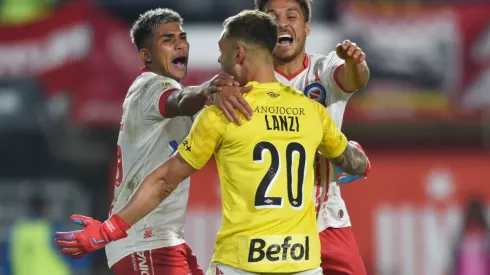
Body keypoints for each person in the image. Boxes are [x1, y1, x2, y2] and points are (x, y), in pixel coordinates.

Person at [53, 10, 371, 275]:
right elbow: (354, 163)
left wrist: (109, 229)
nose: (219, 62)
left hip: (241, 263)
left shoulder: (225, 113)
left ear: (239, 54)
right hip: (303, 264)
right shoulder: (312, 112)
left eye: (221, 54)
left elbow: (165, 179)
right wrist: (355, 156)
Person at [54, 8, 252, 275]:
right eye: (167, 40)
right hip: (144, 241)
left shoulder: (161, 93)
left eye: (182, 37)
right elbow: (178, 101)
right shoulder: (151, 86)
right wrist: (207, 89)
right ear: (146, 55)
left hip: (163, 240)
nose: (180, 44)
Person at [254, 1, 370, 274]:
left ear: (307, 28)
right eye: (272, 17)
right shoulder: (249, 81)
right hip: (272, 226)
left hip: (326, 220)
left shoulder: (325, 69)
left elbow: (354, 79)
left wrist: (356, 63)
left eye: (291, 16)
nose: (282, 23)